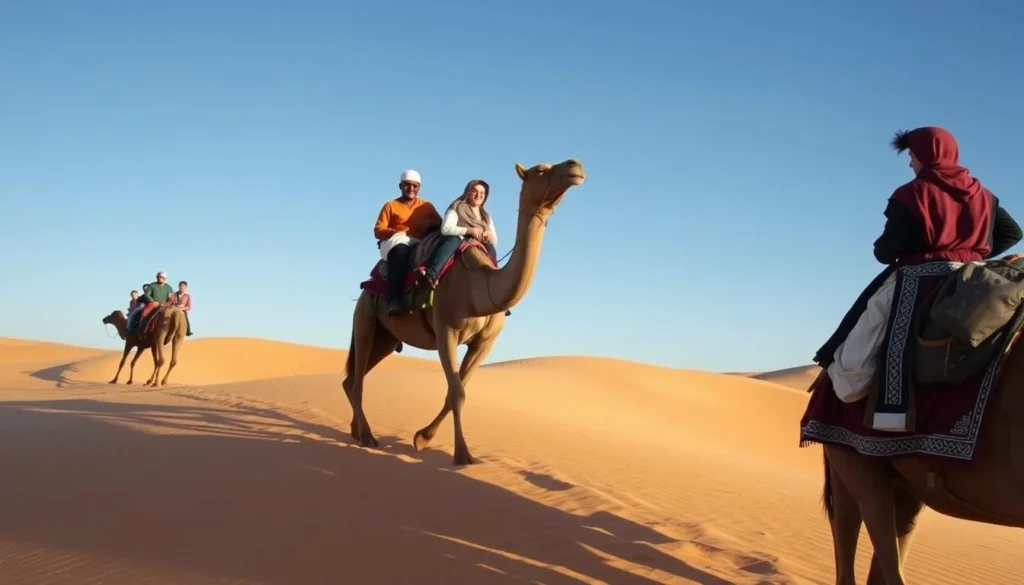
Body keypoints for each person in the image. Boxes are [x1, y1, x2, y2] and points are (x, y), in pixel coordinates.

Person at [820, 126, 1022, 408]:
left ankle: (862, 405)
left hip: (918, 279)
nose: (911, 164)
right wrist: (972, 254)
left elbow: (886, 253)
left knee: (856, 356)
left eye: (913, 156)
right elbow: (1013, 233)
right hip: (971, 279)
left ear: (928, 156)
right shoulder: (984, 195)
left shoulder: (911, 193)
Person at [373, 169, 442, 315]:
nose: (411, 188)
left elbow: (441, 224)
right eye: (407, 185)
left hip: (419, 243)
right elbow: (378, 230)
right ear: (400, 186)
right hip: (395, 241)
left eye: (414, 185)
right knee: (401, 252)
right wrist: (396, 231)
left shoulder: (426, 206)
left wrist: (430, 224)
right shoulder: (390, 205)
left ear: (419, 188)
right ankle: (394, 301)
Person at [415, 179, 498, 289]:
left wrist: (489, 236)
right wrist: (469, 230)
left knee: (490, 247)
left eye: (482, 193)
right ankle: (431, 274)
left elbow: (495, 239)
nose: (479, 195)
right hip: (459, 238)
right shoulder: (456, 207)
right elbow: (446, 229)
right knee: (453, 241)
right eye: (475, 191)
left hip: (479, 242)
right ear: (468, 192)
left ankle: (494, 281)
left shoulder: (486, 217)